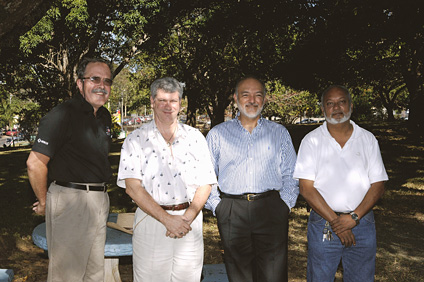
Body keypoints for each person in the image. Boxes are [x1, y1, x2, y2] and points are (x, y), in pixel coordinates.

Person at [116, 77, 217, 282]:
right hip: (151, 220)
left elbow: (206, 182)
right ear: (152, 101)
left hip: (190, 221)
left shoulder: (195, 137)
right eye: (162, 100)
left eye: (173, 100)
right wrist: (167, 220)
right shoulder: (135, 139)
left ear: (180, 104)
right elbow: (133, 188)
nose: (168, 106)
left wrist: (187, 218)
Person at [26, 57, 114, 281]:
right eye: (94, 79)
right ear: (79, 83)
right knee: (68, 276)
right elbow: (35, 163)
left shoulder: (104, 117)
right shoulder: (62, 114)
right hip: (71, 201)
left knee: (94, 275)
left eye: (107, 81)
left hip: (99, 201)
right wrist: (45, 203)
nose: (102, 86)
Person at [205, 76, 299, 282]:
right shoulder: (217, 134)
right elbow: (206, 175)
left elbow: (291, 173)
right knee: (239, 274)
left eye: (258, 95)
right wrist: (218, 207)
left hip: (271, 208)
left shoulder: (279, 133)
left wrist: (285, 205)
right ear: (235, 98)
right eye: (246, 94)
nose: (252, 100)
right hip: (231, 209)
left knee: (273, 273)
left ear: (265, 99)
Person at [293, 85, 388, 281]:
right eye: (330, 103)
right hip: (323, 223)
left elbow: (378, 185)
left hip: (362, 222)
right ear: (323, 109)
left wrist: (353, 217)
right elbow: (306, 188)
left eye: (341, 102)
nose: (336, 108)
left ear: (351, 105)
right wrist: (339, 224)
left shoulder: (367, 139)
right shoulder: (311, 141)